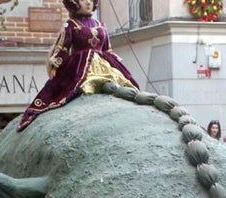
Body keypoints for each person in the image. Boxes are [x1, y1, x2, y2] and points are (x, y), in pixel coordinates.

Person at [16, 0, 138, 132]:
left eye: (91, 0)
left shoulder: (100, 24)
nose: (88, 3)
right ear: (73, 3)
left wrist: (117, 64)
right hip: (79, 65)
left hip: (104, 64)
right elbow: (62, 47)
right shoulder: (71, 25)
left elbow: (107, 49)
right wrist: (55, 65)